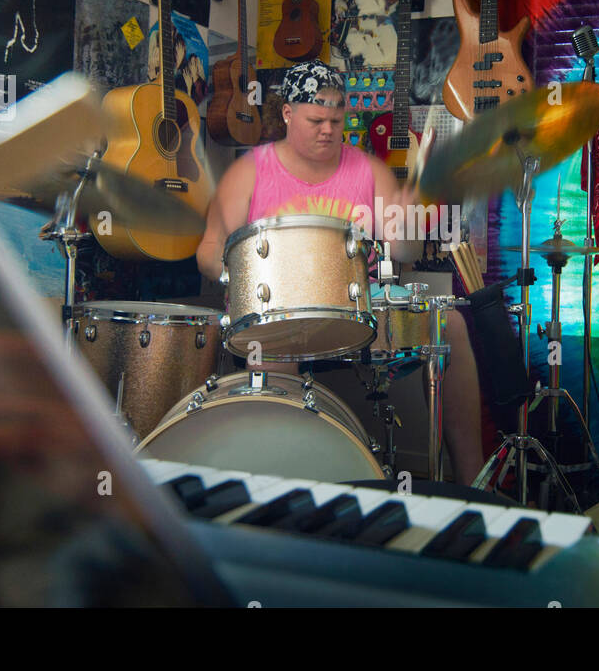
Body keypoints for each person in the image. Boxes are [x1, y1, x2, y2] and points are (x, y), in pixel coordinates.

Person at [195, 60, 486, 484]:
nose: (328, 129)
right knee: (275, 348)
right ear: (288, 114)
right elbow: (207, 248)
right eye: (316, 119)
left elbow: (401, 249)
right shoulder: (250, 172)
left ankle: (473, 481)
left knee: (451, 326)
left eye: (335, 119)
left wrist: (408, 213)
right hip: (282, 313)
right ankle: (286, 487)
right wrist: (232, 269)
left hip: (357, 309)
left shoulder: (367, 170)